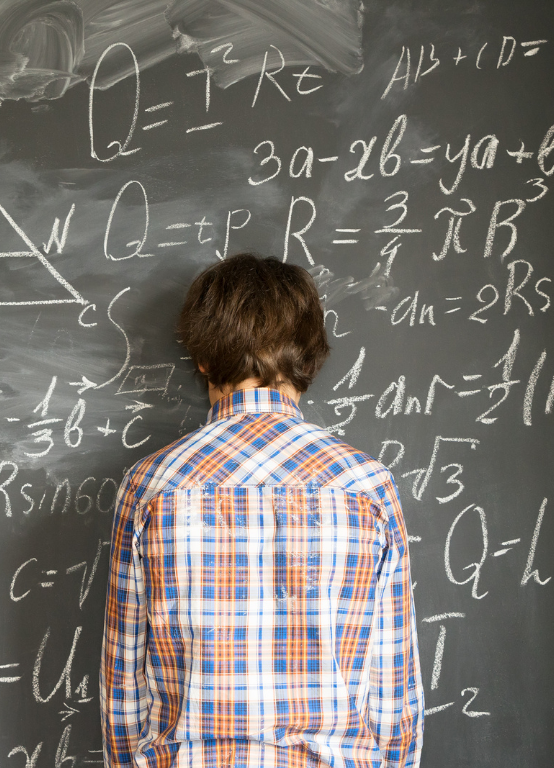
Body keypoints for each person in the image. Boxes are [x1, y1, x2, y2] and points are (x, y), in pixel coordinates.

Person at [100, 253, 423, 768]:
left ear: (203, 358)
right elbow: (392, 690)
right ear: (310, 355)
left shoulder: (151, 487)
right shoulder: (367, 486)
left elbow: (124, 686)